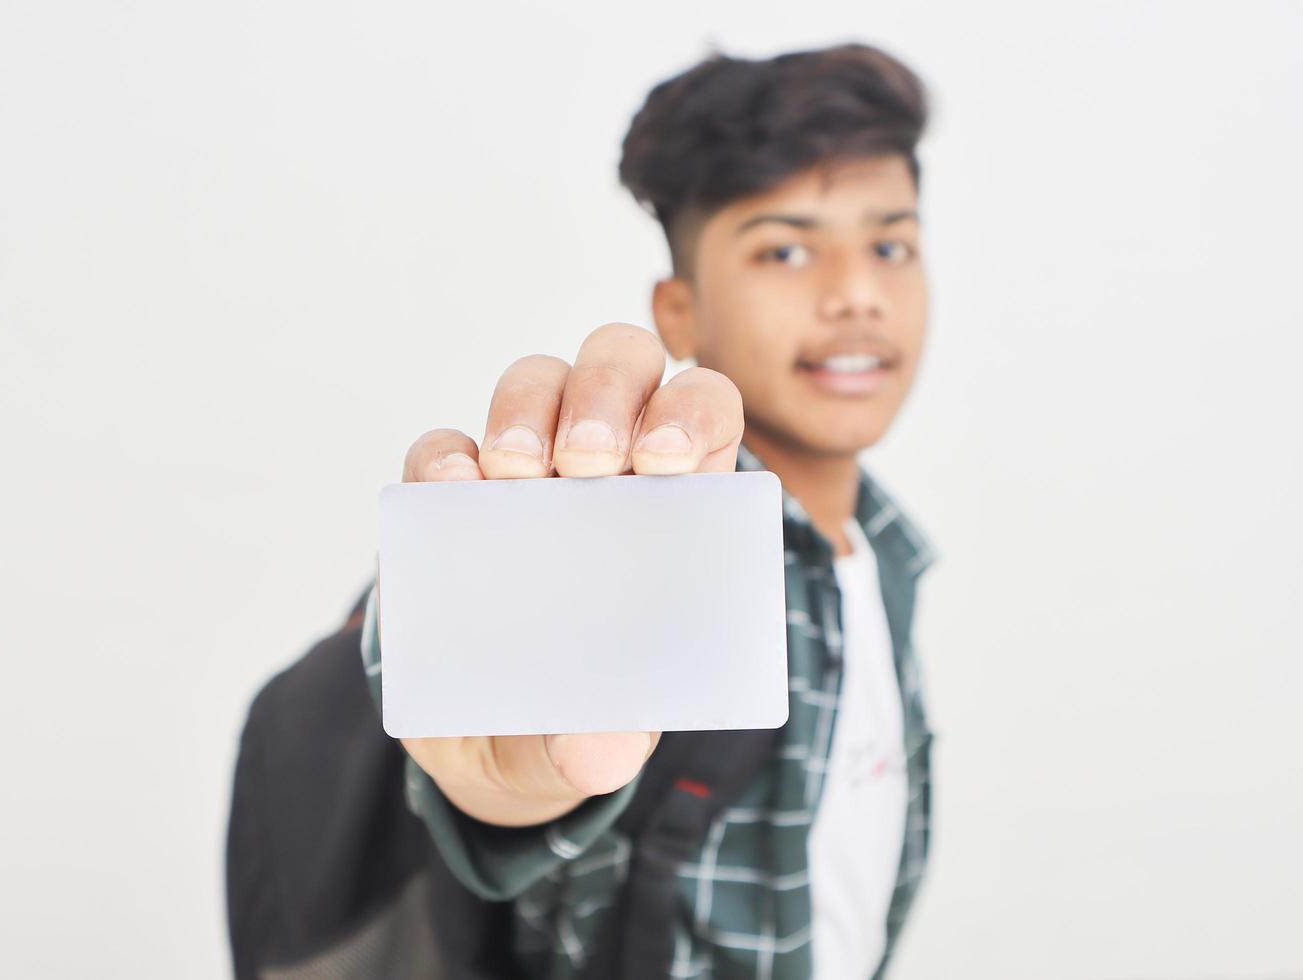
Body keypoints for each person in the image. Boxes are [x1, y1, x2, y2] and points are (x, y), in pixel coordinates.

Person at [227, 41, 937, 980]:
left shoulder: (884, 555)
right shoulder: (621, 532)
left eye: (890, 243)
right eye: (786, 249)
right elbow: (502, 791)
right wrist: (505, 792)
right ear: (678, 312)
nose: (855, 295)